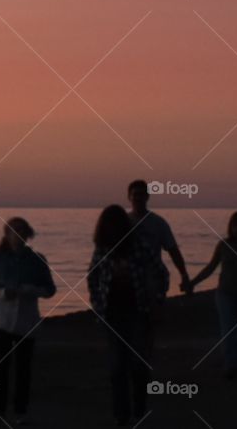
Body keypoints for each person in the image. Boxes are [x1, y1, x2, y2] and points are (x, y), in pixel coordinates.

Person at [88, 205, 157, 427]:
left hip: (138, 310)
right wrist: (98, 305)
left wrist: (157, 298)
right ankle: (122, 414)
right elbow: (92, 276)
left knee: (138, 362)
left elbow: (159, 269)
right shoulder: (102, 249)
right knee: (118, 364)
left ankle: (138, 408)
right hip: (112, 312)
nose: (113, 228)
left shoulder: (139, 246)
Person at [0, 218, 56, 427]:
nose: (18, 236)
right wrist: (3, 293)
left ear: (27, 235)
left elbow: (50, 290)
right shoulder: (0, 259)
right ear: (7, 235)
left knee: (23, 368)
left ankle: (21, 411)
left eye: (21, 232)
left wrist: (30, 290)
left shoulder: (37, 260)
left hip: (27, 321)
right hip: (3, 320)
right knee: (1, 368)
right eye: (14, 232)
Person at [189, 211, 237, 378]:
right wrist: (193, 282)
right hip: (225, 293)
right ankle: (230, 365)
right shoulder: (224, 245)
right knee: (229, 328)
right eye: (234, 226)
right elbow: (211, 267)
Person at [127, 180, 191, 299]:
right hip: (130, 276)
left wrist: (184, 275)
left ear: (147, 197)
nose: (138, 198)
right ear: (129, 197)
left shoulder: (158, 223)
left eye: (141, 194)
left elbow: (173, 250)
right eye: (135, 194)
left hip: (153, 276)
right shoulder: (123, 222)